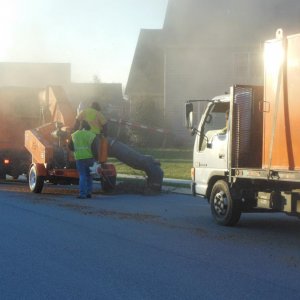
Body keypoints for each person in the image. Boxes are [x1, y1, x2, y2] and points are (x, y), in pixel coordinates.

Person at [69, 120, 97, 199]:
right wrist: (96, 159)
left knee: (82, 175)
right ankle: (89, 193)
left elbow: (70, 146)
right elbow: (95, 148)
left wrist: (75, 150)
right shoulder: (91, 135)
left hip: (79, 158)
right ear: (88, 126)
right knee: (89, 176)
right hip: (90, 158)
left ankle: (82, 194)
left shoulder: (74, 135)